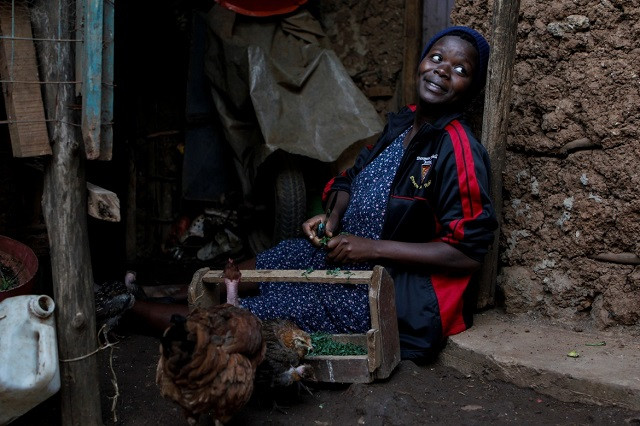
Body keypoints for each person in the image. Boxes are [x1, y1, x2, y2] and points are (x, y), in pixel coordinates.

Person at [129, 26, 497, 363]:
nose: (442, 70)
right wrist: (332, 218)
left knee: (252, 310)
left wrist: (372, 248)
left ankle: (131, 311)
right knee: (263, 263)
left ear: (471, 88)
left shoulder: (457, 147)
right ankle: (163, 293)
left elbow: (467, 252)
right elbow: (349, 179)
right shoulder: (403, 126)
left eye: (460, 69)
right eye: (436, 58)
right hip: (343, 257)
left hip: (383, 288)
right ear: (422, 62)